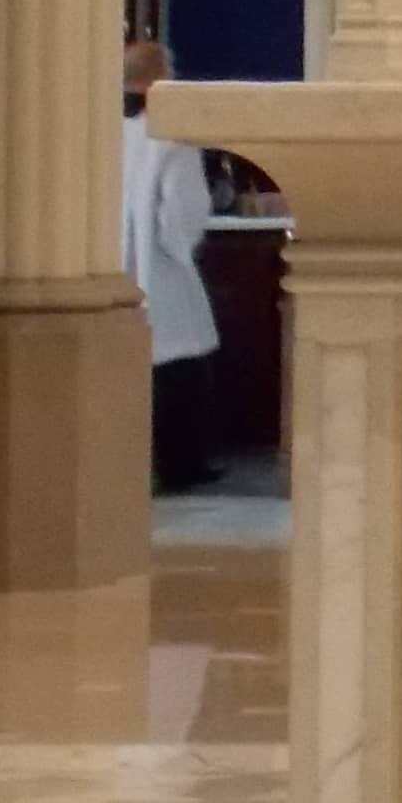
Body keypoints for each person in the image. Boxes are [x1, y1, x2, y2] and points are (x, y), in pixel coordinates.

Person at [120, 36, 221, 493]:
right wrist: (183, 248)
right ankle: (182, 465)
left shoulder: (104, 133)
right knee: (180, 368)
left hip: (117, 269)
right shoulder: (173, 139)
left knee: (134, 369)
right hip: (160, 270)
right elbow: (181, 211)